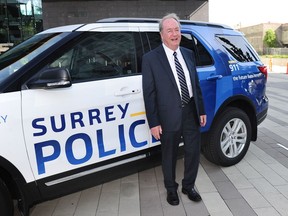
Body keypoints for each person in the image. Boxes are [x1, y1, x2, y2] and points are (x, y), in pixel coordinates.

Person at [142, 13, 207, 206]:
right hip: (167, 116)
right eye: (169, 30)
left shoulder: (187, 53)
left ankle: (189, 186)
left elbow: (195, 84)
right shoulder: (151, 59)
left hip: (190, 111)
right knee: (169, 155)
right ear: (162, 34)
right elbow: (149, 94)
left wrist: (201, 110)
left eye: (177, 30)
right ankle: (171, 189)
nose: (174, 34)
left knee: (193, 152)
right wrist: (154, 122)